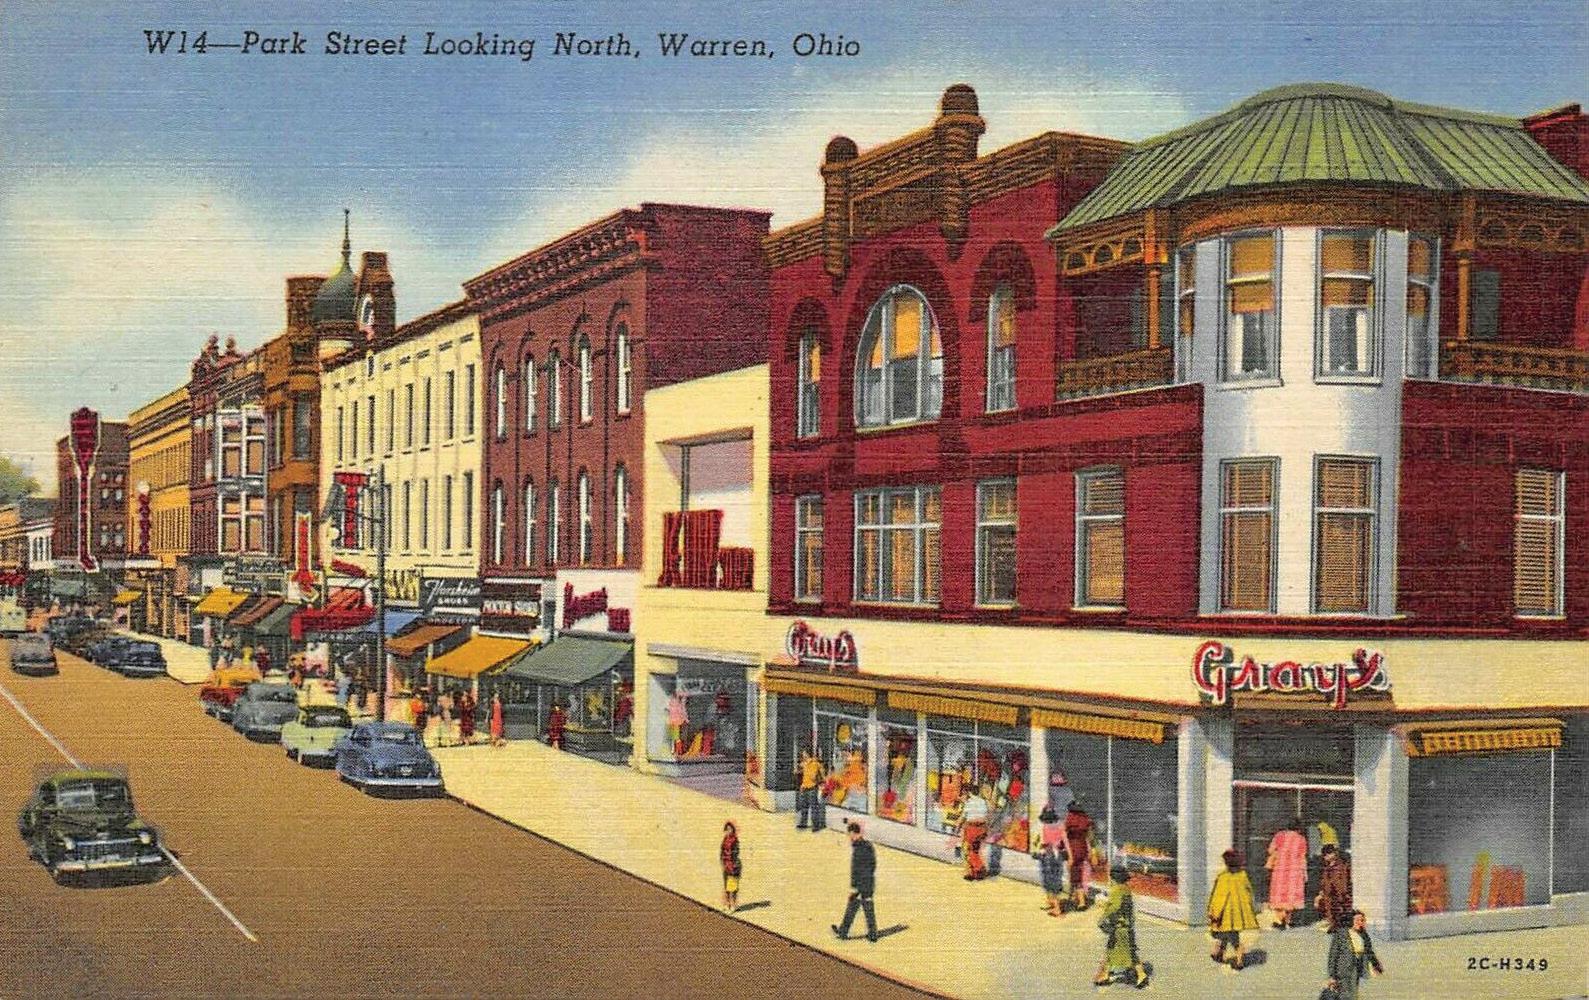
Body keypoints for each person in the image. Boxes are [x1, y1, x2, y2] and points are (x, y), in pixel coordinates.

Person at [1093, 865, 1150, 989]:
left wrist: (1102, 916)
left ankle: (1140, 975)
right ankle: (1105, 974)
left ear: (1113, 878)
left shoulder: (1116, 890)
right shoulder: (1125, 889)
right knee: (1119, 950)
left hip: (1120, 927)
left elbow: (1114, 907)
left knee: (1119, 950)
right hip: (1126, 926)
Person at [1207, 848, 1260, 970]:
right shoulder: (1242, 875)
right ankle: (1219, 953)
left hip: (1225, 914)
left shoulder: (1223, 877)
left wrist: (1213, 912)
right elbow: (1249, 892)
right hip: (1238, 914)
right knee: (1230, 934)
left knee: (1230, 936)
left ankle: (1237, 959)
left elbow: (1219, 898)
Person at [831, 821, 878, 943]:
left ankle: (844, 932)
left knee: (854, 907)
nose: (849, 837)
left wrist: (855, 887)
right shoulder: (868, 846)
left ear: (853, 833)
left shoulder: (859, 849)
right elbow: (872, 865)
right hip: (869, 882)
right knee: (866, 907)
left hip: (861, 884)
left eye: (849, 835)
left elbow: (857, 870)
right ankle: (872, 934)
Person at [1325, 909, 1384, 1000]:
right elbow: (1333, 956)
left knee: (1351, 993)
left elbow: (1369, 951)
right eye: (1357, 920)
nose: (1360, 922)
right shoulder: (1341, 934)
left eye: (1362, 920)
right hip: (1342, 970)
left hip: (1356, 969)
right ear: (1350, 921)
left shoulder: (1364, 935)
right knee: (1347, 995)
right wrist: (1332, 976)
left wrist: (1376, 965)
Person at [1265, 821, 1309, 929]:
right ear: (1299, 828)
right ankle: (1288, 921)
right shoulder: (1301, 839)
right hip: (1295, 871)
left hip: (1280, 869)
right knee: (1291, 896)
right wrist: (1305, 873)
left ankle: (1281, 920)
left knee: (1279, 896)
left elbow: (1270, 850)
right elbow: (1303, 858)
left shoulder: (1279, 836)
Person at [1064, 801, 1095, 910]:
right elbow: (1089, 837)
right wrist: (1090, 850)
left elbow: (1066, 838)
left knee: (1075, 876)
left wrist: (1070, 855)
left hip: (1074, 849)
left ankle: (1081, 902)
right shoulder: (1086, 819)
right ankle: (1073, 897)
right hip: (1083, 849)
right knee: (1078, 874)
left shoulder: (1070, 818)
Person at [1036, 805, 1067, 916]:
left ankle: (1057, 908)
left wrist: (1041, 849)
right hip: (1056, 855)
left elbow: (1046, 844)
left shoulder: (1046, 827)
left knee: (1049, 879)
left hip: (1050, 854)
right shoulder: (1060, 826)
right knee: (1053, 878)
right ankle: (1051, 902)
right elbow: (1064, 842)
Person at [1316, 844, 1354, 931]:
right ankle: (1332, 922)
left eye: (1329, 854)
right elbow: (1324, 880)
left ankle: (1336, 924)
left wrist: (1343, 892)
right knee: (1326, 904)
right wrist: (1322, 891)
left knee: (1337, 907)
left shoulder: (1341, 865)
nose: (1326, 857)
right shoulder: (1327, 866)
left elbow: (1343, 880)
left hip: (1339, 891)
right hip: (1329, 891)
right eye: (1325, 855)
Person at [960, 784, 991, 881]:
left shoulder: (969, 803)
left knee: (969, 850)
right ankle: (974, 872)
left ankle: (978, 870)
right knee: (975, 849)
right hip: (982, 829)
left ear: (970, 793)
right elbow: (986, 816)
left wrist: (958, 824)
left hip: (972, 829)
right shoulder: (983, 802)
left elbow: (963, 817)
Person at [795, 748, 823, 831]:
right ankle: (803, 823)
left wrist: (806, 768)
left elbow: (813, 777)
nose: (803, 755)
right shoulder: (804, 764)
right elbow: (798, 772)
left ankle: (816, 826)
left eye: (804, 753)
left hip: (812, 788)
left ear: (807, 754)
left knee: (814, 807)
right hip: (804, 787)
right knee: (803, 807)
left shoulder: (814, 764)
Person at [719, 820, 742, 913]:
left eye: (730, 829)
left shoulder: (735, 840)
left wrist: (732, 864)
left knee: (733, 886)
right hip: (726, 864)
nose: (729, 831)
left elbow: (736, 853)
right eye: (727, 829)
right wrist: (722, 861)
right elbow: (722, 851)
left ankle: (734, 905)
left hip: (733, 865)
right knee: (726, 887)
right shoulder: (725, 839)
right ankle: (728, 904)